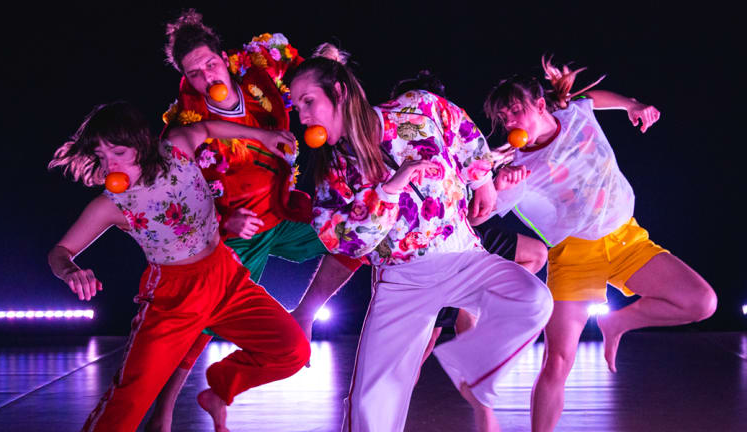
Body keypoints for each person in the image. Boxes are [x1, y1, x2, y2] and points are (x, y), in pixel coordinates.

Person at [288, 47, 554, 432]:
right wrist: (390, 189)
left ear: (339, 92)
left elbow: (463, 130)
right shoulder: (333, 173)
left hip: (462, 257)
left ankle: (472, 370)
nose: (303, 116)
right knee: (371, 402)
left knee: (533, 300)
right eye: (297, 107)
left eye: (308, 101)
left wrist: (482, 180)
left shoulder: (417, 107)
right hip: (401, 282)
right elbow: (346, 243)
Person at [151, 11, 362, 431]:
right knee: (201, 323)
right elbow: (176, 202)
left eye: (210, 63)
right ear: (185, 78)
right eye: (194, 73)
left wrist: (328, 60)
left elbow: (307, 73)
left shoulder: (259, 67)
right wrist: (224, 222)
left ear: (223, 57)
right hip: (238, 232)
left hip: (283, 212)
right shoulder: (185, 125)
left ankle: (305, 314)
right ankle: (163, 413)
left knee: (359, 233)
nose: (207, 76)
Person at [482, 57, 718, 432]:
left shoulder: (575, 115)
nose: (509, 121)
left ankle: (618, 322)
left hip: (626, 239)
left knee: (702, 302)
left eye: (515, 110)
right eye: (503, 117)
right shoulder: (518, 166)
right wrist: (497, 185)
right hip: (574, 257)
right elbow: (480, 216)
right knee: (558, 362)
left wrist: (632, 105)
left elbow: (593, 99)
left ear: (540, 105)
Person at [48, 101, 309, 432]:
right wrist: (70, 270)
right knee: (130, 399)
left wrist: (262, 136)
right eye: (102, 157)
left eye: (119, 153)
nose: (111, 165)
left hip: (225, 278)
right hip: (173, 297)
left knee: (292, 350)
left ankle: (220, 387)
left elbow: (209, 127)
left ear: (141, 143)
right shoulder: (111, 204)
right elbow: (60, 251)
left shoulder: (177, 148)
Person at [389, 70, 548, 375]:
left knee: (536, 253)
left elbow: (475, 215)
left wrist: (496, 186)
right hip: (422, 250)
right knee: (424, 342)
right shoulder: (393, 148)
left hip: (464, 235)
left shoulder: (457, 139)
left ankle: (472, 305)